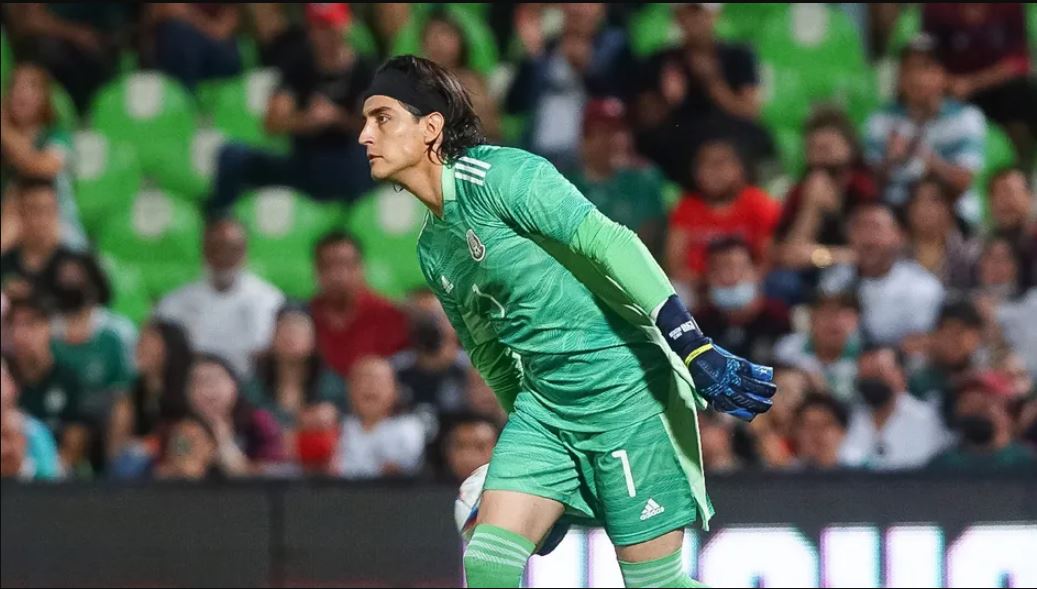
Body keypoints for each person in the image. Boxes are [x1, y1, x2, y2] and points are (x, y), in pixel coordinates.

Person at [358, 55, 775, 588]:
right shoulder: (433, 249)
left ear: (431, 127)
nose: (365, 134)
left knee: (656, 585)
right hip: (544, 410)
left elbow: (610, 241)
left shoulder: (502, 175)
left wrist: (692, 346)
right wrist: (536, 467)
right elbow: (488, 353)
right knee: (487, 562)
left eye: (382, 118)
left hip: (625, 392)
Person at [207, 3, 375, 215]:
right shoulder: (298, 66)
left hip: (349, 162)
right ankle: (220, 222)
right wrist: (306, 120)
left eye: (331, 27)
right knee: (231, 156)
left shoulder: (365, 70)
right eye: (319, 28)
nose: (326, 36)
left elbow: (380, 128)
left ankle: (353, 223)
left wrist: (336, 118)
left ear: (346, 26)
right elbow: (272, 122)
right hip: (305, 163)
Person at [633, 3, 771, 185]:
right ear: (677, 18)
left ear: (714, 16)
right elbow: (646, 119)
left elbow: (750, 112)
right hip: (681, 144)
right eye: (687, 15)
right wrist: (669, 100)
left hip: (728, 136)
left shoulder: (738, 55)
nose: (694, 22)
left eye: (699, 14)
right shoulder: (660, 60)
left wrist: (713, 82)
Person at [864, 34, 986, 224]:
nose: (917, 78)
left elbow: (963, 182)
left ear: (943, 75)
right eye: (909, 69)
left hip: (953, 214)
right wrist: (890, 160)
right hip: (894, 214)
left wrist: (924, 157)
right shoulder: (881, 119)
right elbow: (866, 185)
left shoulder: (965, 118)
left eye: (926, 68)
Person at [505, 3, 633, 169]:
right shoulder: (548, 47)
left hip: (586, 159)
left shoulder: (615, 46)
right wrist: (532, 57)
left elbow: (619, 101)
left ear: (602, 10)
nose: (578, 9)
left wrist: (586, 69)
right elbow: (513, 105)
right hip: (539, 152)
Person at [155, 217, 285, 377]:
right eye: (217, 247)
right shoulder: (174, 303)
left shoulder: (270, 300)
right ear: (204, 251)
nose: (224, 256)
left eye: (233, 248)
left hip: (252, 384)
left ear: (245, 252)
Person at [773, 108, 879, 301]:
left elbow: (868, 253)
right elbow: (789, 254)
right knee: (781, 282)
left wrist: (819, 255)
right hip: (813, 270)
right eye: (815, 148)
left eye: (827, 147)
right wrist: (811, 207)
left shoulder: (866, 186)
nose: (821, 156)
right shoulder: (801, 190)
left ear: (849, 147)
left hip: (859, 271)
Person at [923, 3, 1036, 166]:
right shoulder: (936, 8)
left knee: (1024, 96)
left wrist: (972, 83)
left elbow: (1019, 60)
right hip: (950, 86)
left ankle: (1018, 170)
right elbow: (927, 57)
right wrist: (947, 81)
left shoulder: (1011, 6)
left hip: (998, 85)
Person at [819, 201, 945, 347]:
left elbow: (918, 346)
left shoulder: (922, 287)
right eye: (859, 227)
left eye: (876, 228)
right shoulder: (836, 278)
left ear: (899, 236)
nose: (868, 239)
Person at [666, 139, 781, 295]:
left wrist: (742, 279)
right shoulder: (686, 207)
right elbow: (675, 263)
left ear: (738, 168)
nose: (712, 173)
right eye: (705, 165)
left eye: (720, 165)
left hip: (749, 283)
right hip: (698, 286)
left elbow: (768, 259)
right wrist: (707, 283)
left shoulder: (759, 203)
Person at [565, 98, 668, 259]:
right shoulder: (566, 185)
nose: (615, 140)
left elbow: (651, 239)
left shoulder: (644, 179)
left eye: (620, 131)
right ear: (585, 141)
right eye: (604, 133)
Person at [0, 63, 86, 249]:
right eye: (15, 86)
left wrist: (4, 130)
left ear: (44, 96)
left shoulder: (59, 136)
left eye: (31, 86)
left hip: (57, 228)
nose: (21, 93)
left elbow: (41, 167)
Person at [6, 299, 90, 474]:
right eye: (15, 325)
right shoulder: (5, 378)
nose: (20, 334)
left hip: (54, 476)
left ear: (48, 328)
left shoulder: (67, 379)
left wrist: (51, 471)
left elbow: (76, 436)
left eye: (30, 324)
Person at [310, 231, 409, 378]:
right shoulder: (307, 316)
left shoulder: (388, 315)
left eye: (346, 265)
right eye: (328, 266)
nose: (337, 275)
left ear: (361, 267)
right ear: (316, 271)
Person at [839, 344, 951, 471]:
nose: (872, 382)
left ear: (901, 376)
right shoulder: (849, 418)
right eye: (866, 376)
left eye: (879, 374)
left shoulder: (927, 419)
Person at [107, 320, 192, 478]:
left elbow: (189, 433)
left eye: (149, 342)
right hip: (142, 463)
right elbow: (116, 448)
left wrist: (158, 446)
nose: (141, 348)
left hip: (180, 454)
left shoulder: (188, 389)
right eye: (140, 342)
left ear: (169, 348)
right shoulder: (133, 392)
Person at [694, 237, 790, 367]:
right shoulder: (698, 325)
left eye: (737, 268)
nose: (729, 278)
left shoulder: (780, 319)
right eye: (718, 269)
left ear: (756, 271)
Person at [185, 354, 285, 477]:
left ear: (234, 385)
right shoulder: (181, 426)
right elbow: (181, 471)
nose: (208, 391)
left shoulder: (259, 421)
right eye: (199, 383)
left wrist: (225, 442)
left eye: (215, 381)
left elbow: (274, 470)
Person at [248, 304, 346, 428]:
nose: (291, 336)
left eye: (299, 330)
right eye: (285, 329)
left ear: (313, 339)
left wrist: (333, 414)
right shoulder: (255, 388)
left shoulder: (332, 387)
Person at [331, 356, 426, 480]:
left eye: (379, 380)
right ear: (349, 389)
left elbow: (402, 470)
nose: (371, 386)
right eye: (363, 379)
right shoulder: (335, 428)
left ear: (395, 391)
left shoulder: (408, 429)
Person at [928, 373, 1036, 470]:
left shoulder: (1026, 462)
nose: (977, 412)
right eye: (969, 405)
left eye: (983, 405)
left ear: (1006, 411)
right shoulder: (943, 465)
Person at [0, 178, 81, 304]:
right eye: (33, 210)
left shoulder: (74, 262)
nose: (42, 219)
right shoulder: (5, 261)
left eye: (48, 210)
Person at [774, 292, 863, 403]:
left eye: (843, 316)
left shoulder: (866, 354)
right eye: (827, 315)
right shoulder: (789, 348)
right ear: (812, 319)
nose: (835, 323)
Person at [392, 292, 469, 417]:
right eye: (422, 318)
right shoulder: (396, 369)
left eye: (436, 317)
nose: (430, 324)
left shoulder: (471, 369)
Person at [908, 300, 989, 413]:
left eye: (966, 336)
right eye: (952, 333)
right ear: (936, 333)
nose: (957, 342)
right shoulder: (914, 376)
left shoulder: (982, 381)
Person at [146, 3, 242, 92]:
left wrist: (194, 20)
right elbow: (166, 10)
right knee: (180, 34)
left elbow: (224, 29)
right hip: (179, 48)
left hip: (215, 46)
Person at [904, 176, 977, 290]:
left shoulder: (969, 253)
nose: (924, 208)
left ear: (948, 208)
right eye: (917, 201)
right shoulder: (897, 253)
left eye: (933, 201)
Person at [1, 355, 61, 480]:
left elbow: (50, 475)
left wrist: (21, 465)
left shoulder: (34, 430)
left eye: (3, 378)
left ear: (14, 386)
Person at [792, 393, 851, 471]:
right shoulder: (784, 473)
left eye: (825, 424)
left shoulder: (858, 475)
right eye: (809, 426)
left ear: (842, 431)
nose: (816, 433)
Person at [438, 411, 500, 484]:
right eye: (461, 446)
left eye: (480, 447)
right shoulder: (430, 488)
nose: (469, 456)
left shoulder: (508, 488)